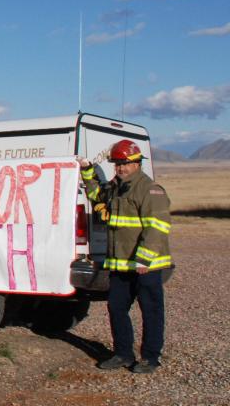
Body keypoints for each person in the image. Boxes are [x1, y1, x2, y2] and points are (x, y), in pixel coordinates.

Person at [79, 140, 172, 374]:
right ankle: (122, 354)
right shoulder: (114, 188)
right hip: (121, 264)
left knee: (151, 311)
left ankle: (151, 358)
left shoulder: (150, 190)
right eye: (117, 164)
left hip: (145, 266)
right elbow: (95, 196)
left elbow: (158, 227)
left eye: (124, 164)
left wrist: (144, 258)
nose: (120, 168)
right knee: (116, 308)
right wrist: (87, 170)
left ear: (137, 163)